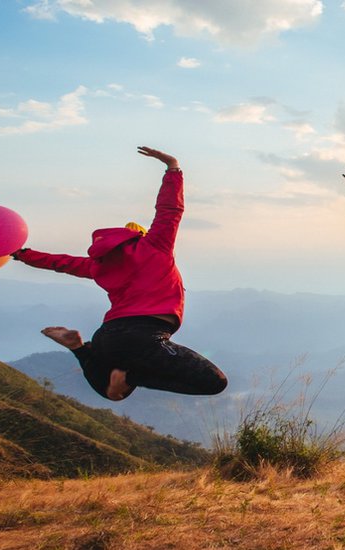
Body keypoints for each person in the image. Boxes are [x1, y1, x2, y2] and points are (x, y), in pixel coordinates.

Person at [12, 146, 227, 401]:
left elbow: (60, 262)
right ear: (140, 235)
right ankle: (121, 371)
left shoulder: (98, 264)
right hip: (145, 336)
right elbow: (169, 210)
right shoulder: (155, 245)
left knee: (113, 392)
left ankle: (81, 349)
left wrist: (21, 253)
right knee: (214, 382)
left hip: (109, 338)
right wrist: (173, 168)